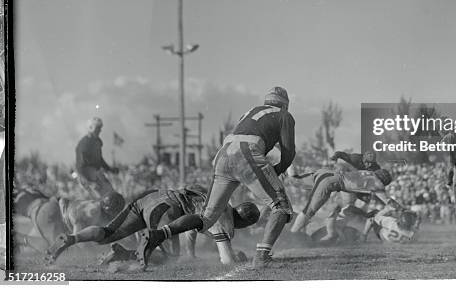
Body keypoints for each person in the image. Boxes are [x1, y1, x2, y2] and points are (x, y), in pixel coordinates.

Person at [136, 87, 296, 270]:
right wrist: (275, 172)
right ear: (285, 104)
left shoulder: (251, 112)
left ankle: (158, 235)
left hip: (222, 155)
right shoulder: (284, 115)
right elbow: (288, 153)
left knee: (206, 217)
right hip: (246, 154)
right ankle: (262, 256)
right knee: (281, 207)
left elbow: (252, 134)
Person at [46, 185, 260, 266]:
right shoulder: (225, 221)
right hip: (167, 208)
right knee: (170, 258)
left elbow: (193, 229)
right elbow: (227, 260)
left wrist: (192, 254)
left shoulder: (217, 202)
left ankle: (71, 238)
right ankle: (124, 255)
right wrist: (239, 259)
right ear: (244, 221)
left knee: (108, 233)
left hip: (151, 198)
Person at [290, 167, 393, 240]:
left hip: (325, 172)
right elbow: (388, 201)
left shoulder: (367, 173)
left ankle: (288, 161)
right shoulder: (377, 183)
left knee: (294, 180)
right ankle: (293, 235)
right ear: (383, 181)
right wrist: (401, 209)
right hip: (331, 181)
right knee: (310, 210)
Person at [14, 187, 125, 253]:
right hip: (52, 214)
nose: (117, 214)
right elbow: (77, 238)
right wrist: (94, 254)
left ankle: (18, 238)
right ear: (109, 208)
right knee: (55, 251)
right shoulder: (93, 212)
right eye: (117, 210)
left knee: (40, 247)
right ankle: (16, 237)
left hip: (51, 211)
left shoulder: (96, 209)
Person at [75, 117, 118, 199]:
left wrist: (110, 169)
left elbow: (100, 160)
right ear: (90, 128)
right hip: (87, 176)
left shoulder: (97, 141)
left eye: (100, 128)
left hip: (96, 173)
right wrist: (90, 182)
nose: (99, 130)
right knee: (104, 199)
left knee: (111, 194)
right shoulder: (84, 144)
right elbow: (80, 167)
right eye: (97, 128)